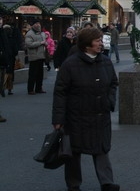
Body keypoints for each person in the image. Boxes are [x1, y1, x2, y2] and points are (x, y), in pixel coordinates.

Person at [52, 27, 120, 191]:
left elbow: (113, 83)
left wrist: (109, 101)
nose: (101, 44)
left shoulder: (105, 61)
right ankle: (74, 184)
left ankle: (107, 182)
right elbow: (60, 93)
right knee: (74, 152)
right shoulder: (70, 64)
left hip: (100, 114)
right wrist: (58, 119)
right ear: (86, 44)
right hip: (76, 116)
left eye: (101, 40)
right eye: (97, 40)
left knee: (102, 149)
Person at [25, 19, 48, 95]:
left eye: (39, 23)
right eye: (36, 23)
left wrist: (46, 43)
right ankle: (30, 89)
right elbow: (29, 44)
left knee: (40, 74)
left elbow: (44, 41)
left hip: (41, 56)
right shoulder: (29, 34)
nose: (38, 25)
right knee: (32, 74)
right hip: (34, 56)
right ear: (33, 25)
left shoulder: (42, 33)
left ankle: (39, 88)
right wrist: (40, 43)